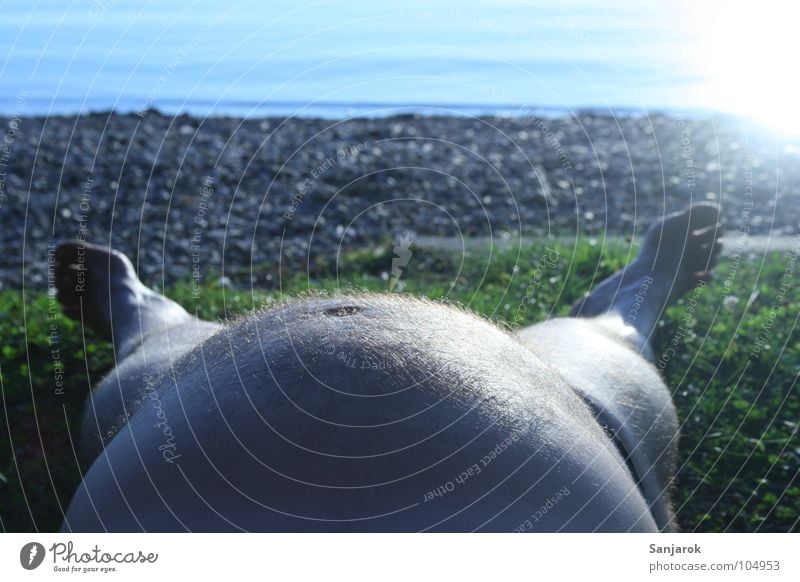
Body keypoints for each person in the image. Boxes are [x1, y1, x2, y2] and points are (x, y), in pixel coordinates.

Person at [55, 203, 721, 532]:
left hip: (176, 411)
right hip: (570, 409)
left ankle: (138, 309)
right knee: (604, 344)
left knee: (158, 352)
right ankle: (635, 296)